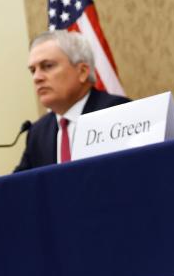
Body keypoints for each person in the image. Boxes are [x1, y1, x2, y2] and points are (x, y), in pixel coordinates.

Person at [14, 30, 128, 172]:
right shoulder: (38, 132)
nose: (37, 77)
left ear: (82, 72)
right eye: (33, 70)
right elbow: (20, 186)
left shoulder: (118, 112)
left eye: (47, 66)